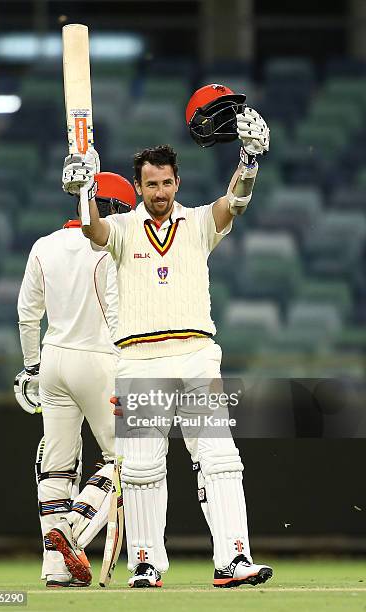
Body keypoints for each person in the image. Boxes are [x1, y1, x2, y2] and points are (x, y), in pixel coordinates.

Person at [58, 84, 273, 589]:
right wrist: (83, 190)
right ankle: (147, 563)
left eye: (167, 183)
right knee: (141, 471)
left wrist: (250, 161)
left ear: (178, 182)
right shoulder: (125, 229)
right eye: (151, 184)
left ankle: (234, 559)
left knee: (219, 459)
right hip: (141, 363)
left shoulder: (198, 223)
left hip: (197, 357)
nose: (160, 192)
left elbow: (235, 202)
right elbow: (92, 230)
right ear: (138, 186)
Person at [14, 171, 136, 588]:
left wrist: (32, 366)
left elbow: (28, 314)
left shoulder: (44, 245)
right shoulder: (113, 248)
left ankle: (54, 568)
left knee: (57, 467)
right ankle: (73, 530)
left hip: (53, 360)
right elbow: (119, 315)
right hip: (100, 358)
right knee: (129, 458)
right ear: (116, 208)